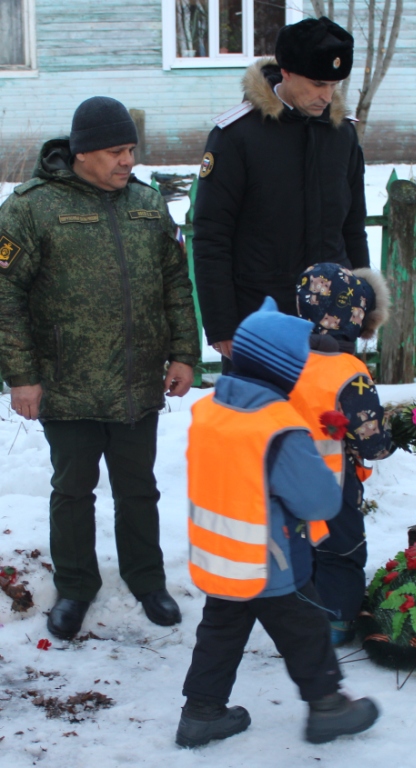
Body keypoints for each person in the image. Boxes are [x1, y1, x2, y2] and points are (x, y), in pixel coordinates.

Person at [0, 97, 200, 640]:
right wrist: (21, 375)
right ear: (82, 152)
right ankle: (74, 586)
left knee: (139, 489)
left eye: (131, 150)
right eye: (116, 151)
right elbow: (5, 294)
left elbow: (175, 286)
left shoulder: (147, 205)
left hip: (138, 381)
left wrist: (184, 353)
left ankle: (146, 579)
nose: (127, 161)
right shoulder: (30, 208)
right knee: (73, 490)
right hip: (67, 383)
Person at [178, 297, 379, 748]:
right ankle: (328, 707)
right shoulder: (277, 427)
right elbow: (319, 501)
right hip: (273, 559)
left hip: (220, 551)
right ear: (285, 369)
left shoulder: (209, 410)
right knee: (306, 629)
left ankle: (200, 712)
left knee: (220, 630)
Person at [192, 16, 370, 367]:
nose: (327, 96)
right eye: (318, 83)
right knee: (261, 422)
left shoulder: (342, 135)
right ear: (286, 72)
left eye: (335, 85)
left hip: (333, 322)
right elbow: (212, 235)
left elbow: (352, 226)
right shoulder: (238, 136)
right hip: (260, 322)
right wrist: (222, 324)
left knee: (328, 422)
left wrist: (363, 303)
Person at [292, 262, 393, 645]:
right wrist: (388, 440)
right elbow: (372, 441)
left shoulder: (287, 358)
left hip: (283, 482)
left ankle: (299, 619)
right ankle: (335, 623)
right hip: (332, 485)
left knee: (299, 550)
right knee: (341, 550)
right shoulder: (349, 371)